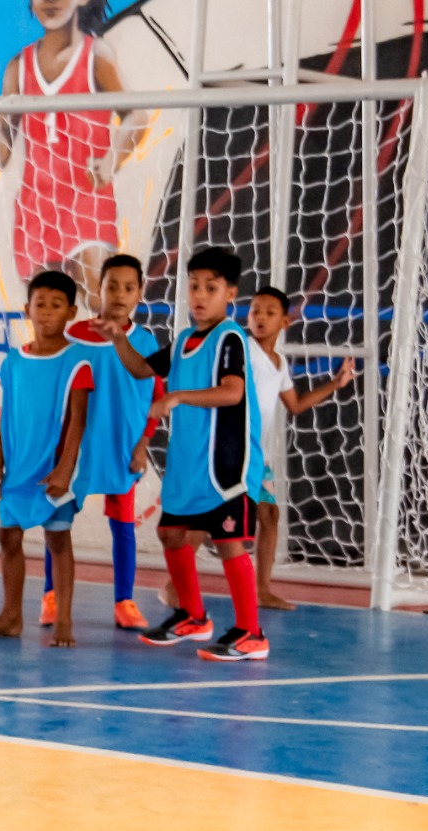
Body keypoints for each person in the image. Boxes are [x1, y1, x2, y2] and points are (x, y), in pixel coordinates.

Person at [99, 246, 269, 662]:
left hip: (225, 464)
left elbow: (232, 392)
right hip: (189, 466)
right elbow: (140, 369)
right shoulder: (182, 342)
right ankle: (194, 617)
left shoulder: (229, 336)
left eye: (210, 288)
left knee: (229, 543)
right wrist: (120, 339)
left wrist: (176, 397)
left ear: (230, 294)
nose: (199, 295)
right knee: (171, 533)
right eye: (193, 286)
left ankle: (252, 633)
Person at [0, 0, 145, 308]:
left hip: (86, 198)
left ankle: (108, 357)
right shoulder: (19, 67)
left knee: (100, 302)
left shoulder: (96, 55)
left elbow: (136, 116)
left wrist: (112, 159)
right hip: (37, 207)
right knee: (46, 313)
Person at [40, 252, 163, 631]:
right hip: (74, 451)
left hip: (122, 450)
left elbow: (156, 399)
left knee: (123, 526)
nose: (120, 294)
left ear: (140, 293)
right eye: (112, 286)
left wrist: (142, 444)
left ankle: (124, 601)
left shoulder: (145, 341)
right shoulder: (73, 336)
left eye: (129, 287)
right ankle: (51, 594)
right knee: (58, 523)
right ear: (99, 288)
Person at [0, 271, 91, 647]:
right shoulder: (14, 363)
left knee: (58, 541)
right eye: (40, 304)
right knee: (8, 535)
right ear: (27, 309)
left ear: (71, 311)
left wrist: (65, 470)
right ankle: (11, 615)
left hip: (53, 470)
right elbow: (8, 415)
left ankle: (64, 620)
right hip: (18, 468)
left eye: (57, 306)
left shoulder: (78, 361)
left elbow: (78, 422)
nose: (47, 312)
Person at [245, 286, 355, 610]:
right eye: (255, 311)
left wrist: (336, 383)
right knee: (219, 522)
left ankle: (261, 589)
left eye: (269, 312)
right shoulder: (241, 350)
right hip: (237, 453)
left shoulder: (278, 364)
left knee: (269, 515)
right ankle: (174, 585)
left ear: (285, 322)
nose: (260, 318)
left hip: (257, 453)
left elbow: (295, 405)